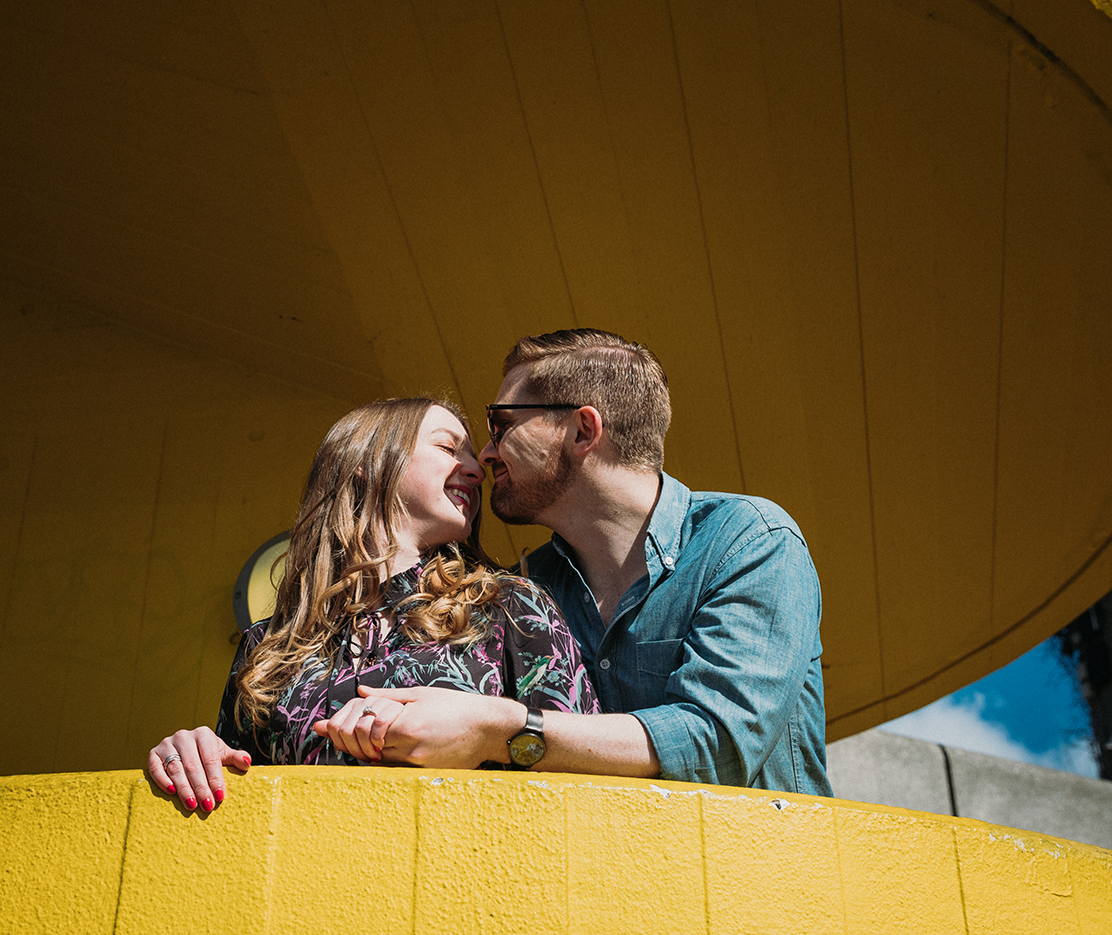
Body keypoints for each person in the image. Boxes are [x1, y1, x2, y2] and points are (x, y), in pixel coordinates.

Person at [335, 330, 830, 796]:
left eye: (501, 424)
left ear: (582, 429)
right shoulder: (528, 586)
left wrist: (502, 729)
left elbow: (718, 742)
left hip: (755, 879)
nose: (485, 453)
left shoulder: (747, 540)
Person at [149, 396, 598, 813]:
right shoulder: (266, 646)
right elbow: (239, 794)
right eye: (448, 448)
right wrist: (192, 756)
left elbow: (586, 769)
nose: (476, 468)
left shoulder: (509, 606)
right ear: (367, 463)